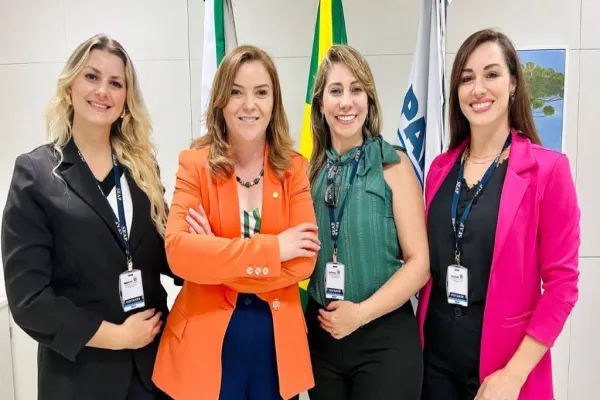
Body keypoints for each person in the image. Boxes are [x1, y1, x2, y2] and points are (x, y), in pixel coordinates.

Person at [1, 34, 180, 400]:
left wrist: (217, 245)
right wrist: (118, 336)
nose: (103, 91)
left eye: (116, 83)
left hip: (153, 371)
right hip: (80, 378)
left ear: (126, 99)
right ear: (69, 87)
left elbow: (166, 254)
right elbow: (30, 301)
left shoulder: (142, 170)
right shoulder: (36, 174)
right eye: (92, 77)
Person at [417, 29, 580, 400]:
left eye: (491, 74)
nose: (478, 89)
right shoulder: (440, 169)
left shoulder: (548, 170)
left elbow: (563, 285)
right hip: (434, 359)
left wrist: (514, 374)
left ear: (513, 84)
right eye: (466, 78)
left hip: (503, 366)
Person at [151, 45, 319, 400]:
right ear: (220, 101)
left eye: (261, 92)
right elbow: (178, 253)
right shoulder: (195, 164)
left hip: (275, 344)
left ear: (274, 102)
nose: (249, 105)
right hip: (205, 341)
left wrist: (213, 254)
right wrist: (275, 249)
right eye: (237, 92)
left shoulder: (295, 169)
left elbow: (304, 261)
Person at [304, 44, 430, 400]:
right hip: (322, 341)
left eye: (356, 89)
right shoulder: (307, 172)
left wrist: (359, 314)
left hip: (384, 341)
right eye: (335, 91)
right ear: (321, 104)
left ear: (369, 100)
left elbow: (420, 264)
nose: (346, 102)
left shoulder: (394, 166)